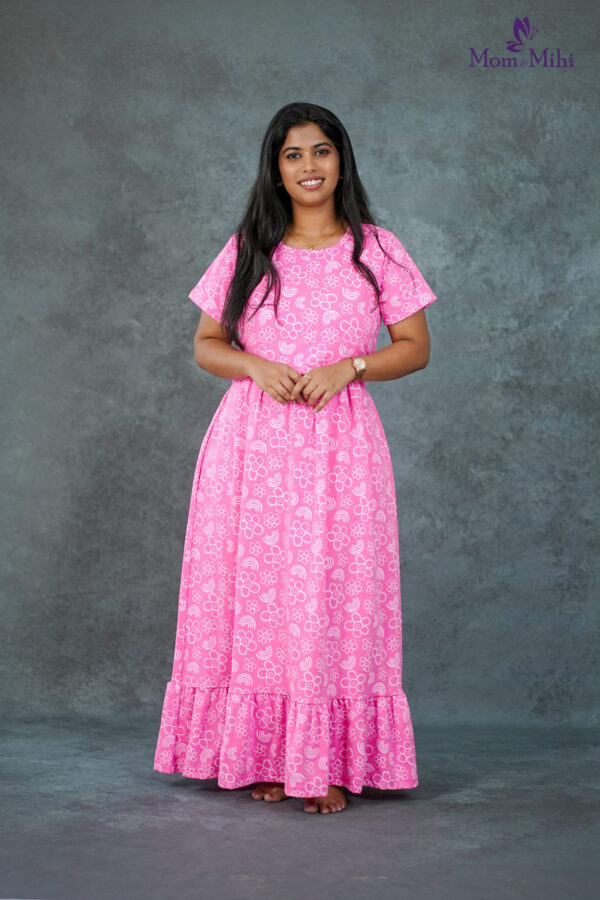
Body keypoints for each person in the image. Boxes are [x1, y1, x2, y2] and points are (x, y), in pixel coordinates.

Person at [153, 101, 438, 815]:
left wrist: (352, 367)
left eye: (321, 151)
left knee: (336, 599)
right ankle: (267, 756)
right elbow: (205, 345)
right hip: (251, 452)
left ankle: (328, 763)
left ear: (341, 160)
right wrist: (253, 364)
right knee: (257, 599)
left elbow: (415, 347)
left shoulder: (377, 249)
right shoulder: (249, 247)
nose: (309, 166)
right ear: (275, 170)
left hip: (342, 451)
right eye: (292, 155)